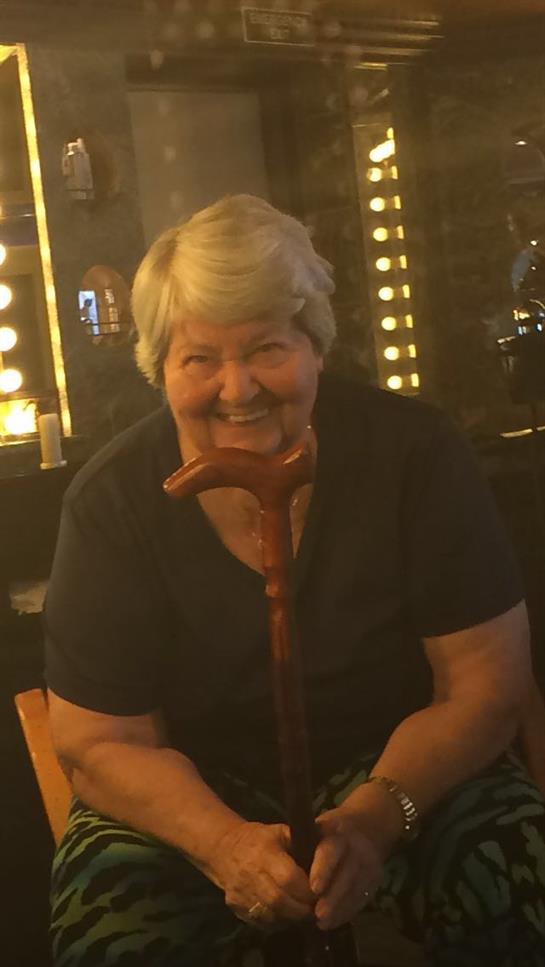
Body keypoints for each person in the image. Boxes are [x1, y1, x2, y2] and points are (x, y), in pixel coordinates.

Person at [44, 194, 545, 967]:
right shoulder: (113, 501)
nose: (237, 388)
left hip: (403, 772)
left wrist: (379, 816)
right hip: (192, 798)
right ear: (159, 367)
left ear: (315, 345)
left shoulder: (415, 456)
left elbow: (485, 684)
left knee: (514, 887)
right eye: (199, 357)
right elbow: (98, 739)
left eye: (267, 348)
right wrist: (222, 843)